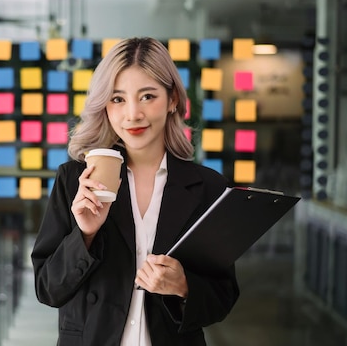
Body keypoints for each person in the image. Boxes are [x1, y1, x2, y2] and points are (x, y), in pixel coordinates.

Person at [31, 37, 239, 345]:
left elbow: (223, 297)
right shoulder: (75, 179)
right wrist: (84, 236)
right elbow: (48, 289)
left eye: (147, 96)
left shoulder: (208, 188)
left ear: (172, 101)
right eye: (117, 99)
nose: (132, 114)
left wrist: (183, 286)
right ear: (104, 104)